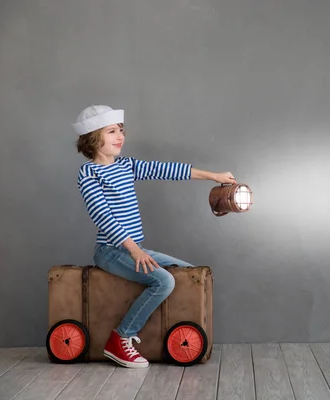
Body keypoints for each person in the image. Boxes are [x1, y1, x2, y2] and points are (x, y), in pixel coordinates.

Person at [73, 105, 235, 368]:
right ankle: (120, 338)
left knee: (187, 271)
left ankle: (168, 333)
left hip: (133, 248)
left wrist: (213, 176)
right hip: (111, 252)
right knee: (164, 281)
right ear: (92, 137)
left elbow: (167, 169)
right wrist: (135, 251)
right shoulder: (89, 173)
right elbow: (103, 217)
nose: (120, 136)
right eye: (112, 131)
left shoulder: (126, 165)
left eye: (121, 131)